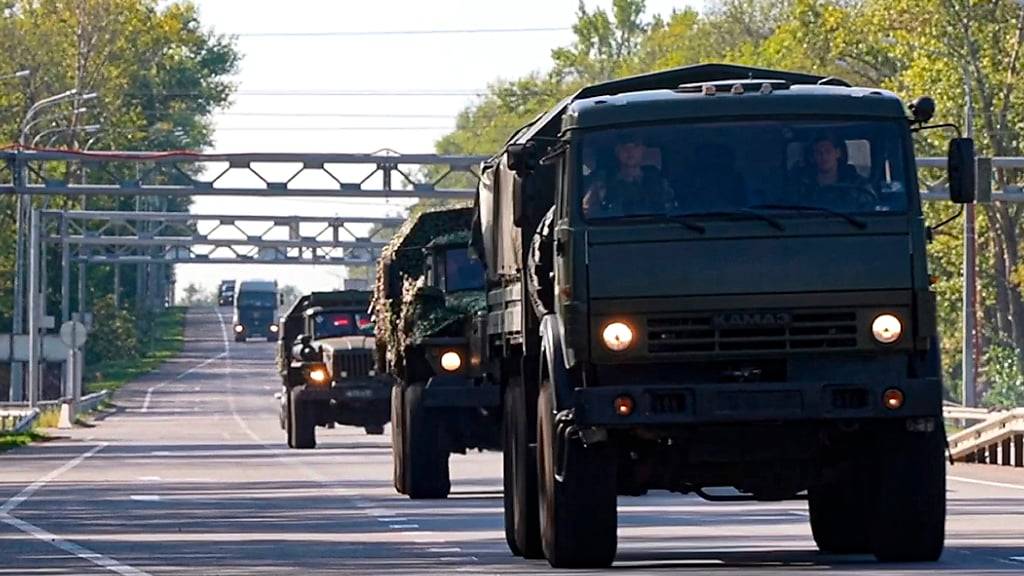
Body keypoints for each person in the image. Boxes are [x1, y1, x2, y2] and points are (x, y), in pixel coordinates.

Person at [582, 133, 673, 217]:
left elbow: (672, 209)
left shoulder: (657, 181)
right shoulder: (603, 182)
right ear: (617, 151)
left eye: (635, 146)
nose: (630, 151)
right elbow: (586, 211)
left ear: (643, 149)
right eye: (624, 147)